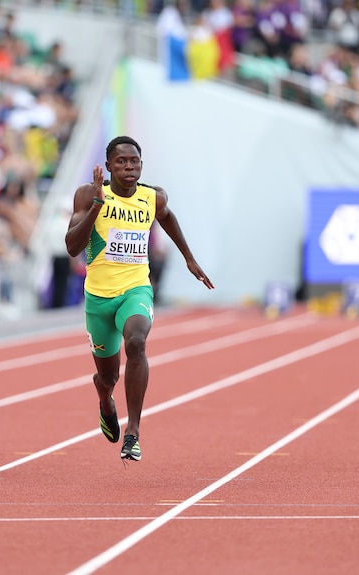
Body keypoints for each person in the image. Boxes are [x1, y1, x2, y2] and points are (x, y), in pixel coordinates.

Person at [65, 135, 214, 462]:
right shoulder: (88, 194)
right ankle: (105, 400)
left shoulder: (152, 198)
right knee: (107, 377)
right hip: (99, 298)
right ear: (108, 166)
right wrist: (97, 206)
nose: (128, 167)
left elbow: (168, 217)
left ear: (141, 165)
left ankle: (132, 431)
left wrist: (188, 257)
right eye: (121, 162)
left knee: (136, 342)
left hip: (136, 289)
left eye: (134, 161)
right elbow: (72, 247)